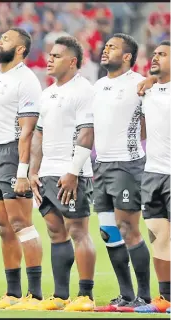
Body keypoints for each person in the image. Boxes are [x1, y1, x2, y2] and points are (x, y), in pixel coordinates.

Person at [28, 36, 97, 311]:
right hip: (46, 173)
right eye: (50, 54)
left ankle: (86, 295)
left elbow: (87, 132)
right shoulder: (48, 93)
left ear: (72, 61)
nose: (49, 59)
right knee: (55, 232)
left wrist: (73, 171)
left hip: (72, 173)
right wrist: (34, 171)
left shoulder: (83, 90)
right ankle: (60, 295)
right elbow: (38, 135)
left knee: (78, 231)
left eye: (56, 56)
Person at [0, 28, 44, 310]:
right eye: (0, 37)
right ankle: (13, 293)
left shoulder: (27, 80)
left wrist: (22, 172)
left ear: (20, 49)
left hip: (12, 153)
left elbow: (27, 131)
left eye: (5, 39)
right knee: (3, 227)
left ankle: (35, 294)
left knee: (21, 225)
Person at [89, 34, 151, 312]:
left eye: (112, 47)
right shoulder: (99, 86)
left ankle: (146, 296)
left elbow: (150, 121)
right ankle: (125, 295)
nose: (105, 50)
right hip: (101, 166)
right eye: (106, 46)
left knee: (129, 229)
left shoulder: (140, 84)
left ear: (127, 56)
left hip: (127, 165)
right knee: (108, 232)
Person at [134, 40, 170, 314]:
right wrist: (150, 79)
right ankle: (165, 298)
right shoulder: (148, 91)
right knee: (159, 236)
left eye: (163, 54)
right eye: (154, 53)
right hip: (152, 173)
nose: (155, 57)